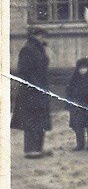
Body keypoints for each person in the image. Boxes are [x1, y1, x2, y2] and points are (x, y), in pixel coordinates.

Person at [11, 27, 52, 158]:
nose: (43, 38)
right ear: (35, 36)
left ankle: (39, 148)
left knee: (41, 120)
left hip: (40, 90)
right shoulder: (28, 49)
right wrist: (35, 86)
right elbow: (24, 71)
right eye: (41, 36)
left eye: (44, 36)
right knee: (32, 120)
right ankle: (30, 150)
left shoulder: (39, 49)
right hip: (31, 91)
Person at [65, 58, 88, 151]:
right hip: (77, 105)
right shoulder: (74, 79)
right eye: (80, 68)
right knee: (78, 125)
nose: (82, 70)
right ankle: (80, 144)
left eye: (85, 68)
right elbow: (69, 91)